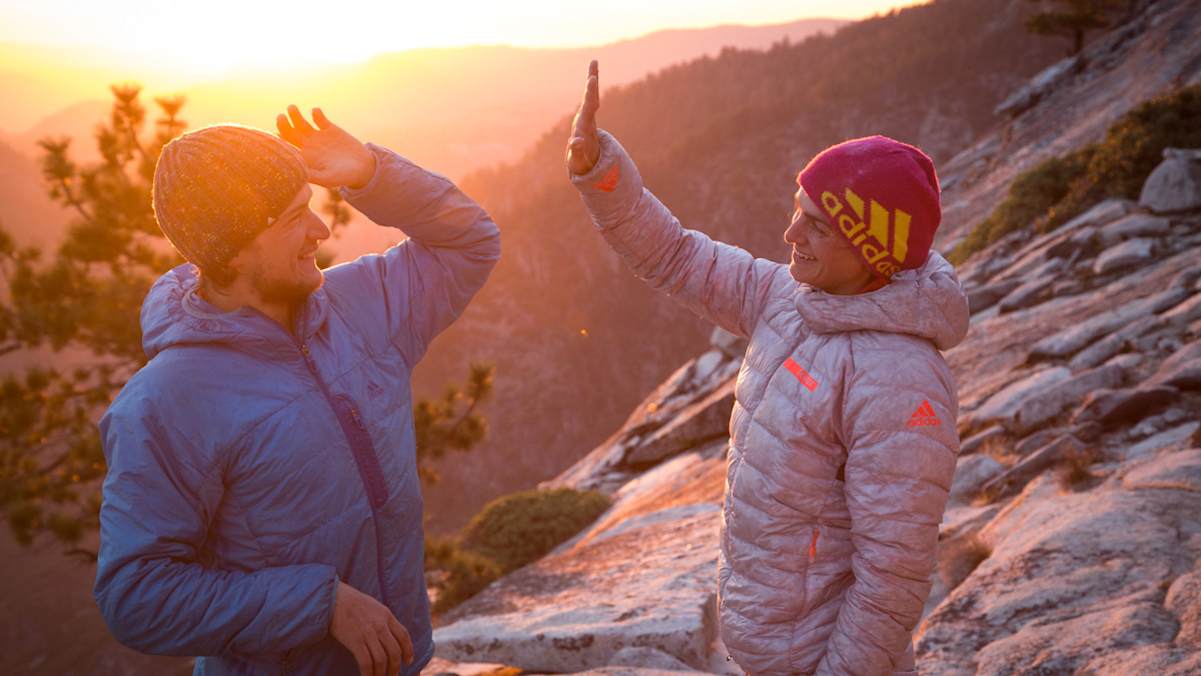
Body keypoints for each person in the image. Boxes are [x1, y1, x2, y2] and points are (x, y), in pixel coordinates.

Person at [566, 61, 969, 675]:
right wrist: (601, 172)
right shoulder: (787, 297)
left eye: (817, 225)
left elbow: (892, 578)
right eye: (796, 210)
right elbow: (677, 257)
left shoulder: (901, 380)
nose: (790, 233)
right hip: (773, 647)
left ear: (873, 248)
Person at [93, 106, 500, 676]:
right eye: (293, 218)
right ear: (233, 250)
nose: (321, 230)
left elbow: (470, 243)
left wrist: (371, 173)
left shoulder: (359, 305)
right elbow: (137, 596)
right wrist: (319, 605)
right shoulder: (167, 401)